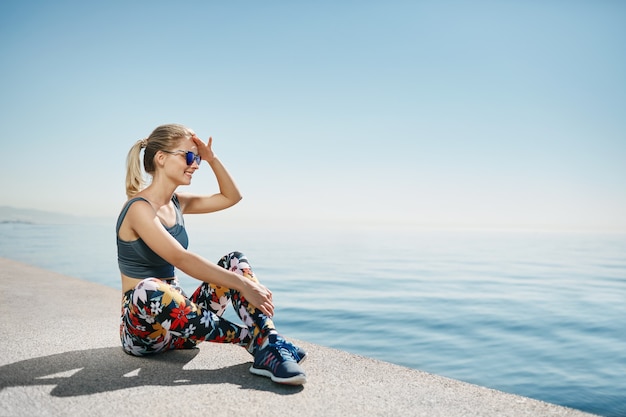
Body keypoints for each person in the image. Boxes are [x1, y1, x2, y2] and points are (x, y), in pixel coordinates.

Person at [116, 123, 307, 385]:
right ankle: (252, 339)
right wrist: (241, 285)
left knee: (234, 260)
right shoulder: (138, 208)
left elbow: (232, 197)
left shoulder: (178, 203)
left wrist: (212, 158)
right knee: (149, 287)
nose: (196, 164)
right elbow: (180, 258)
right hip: (143, 332)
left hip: (183, 328)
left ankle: (269, 341)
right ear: (161, 158)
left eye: (198, 159)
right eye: (189, 156)